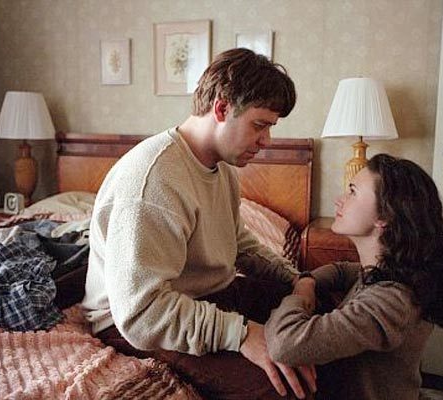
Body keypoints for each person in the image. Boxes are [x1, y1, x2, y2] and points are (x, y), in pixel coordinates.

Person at [81, 48, 316, 399]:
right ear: (221, 109)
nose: (267, 141)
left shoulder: (222, 167)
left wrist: (296, 279)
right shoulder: (154, 180)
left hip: (206, 296)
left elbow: (236, 243)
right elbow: (141, 313)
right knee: (281, 387)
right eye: (259, 125)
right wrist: (241, 334)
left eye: (270, 127)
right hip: (136, 319)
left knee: (323, 315)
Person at [265, 154, 443, 400]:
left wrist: (301, 293)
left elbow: (284, 344)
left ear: (384, 217)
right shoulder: (384, 271)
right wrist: (308, 280)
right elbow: (340, 270)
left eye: (352, 192)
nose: (339, 200)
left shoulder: (392, 301)